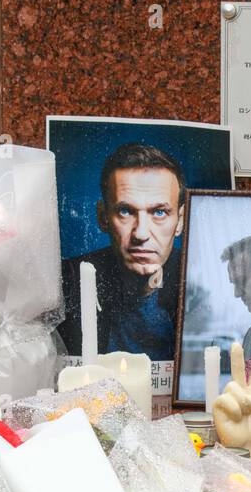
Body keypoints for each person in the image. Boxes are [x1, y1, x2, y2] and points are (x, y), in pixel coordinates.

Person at [59, 142, 186, 360]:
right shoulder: (67, 281)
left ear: (180, 221)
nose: (141, 233)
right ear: (103, 217)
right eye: (125, 211)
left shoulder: (199, 284)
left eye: (159, 212)